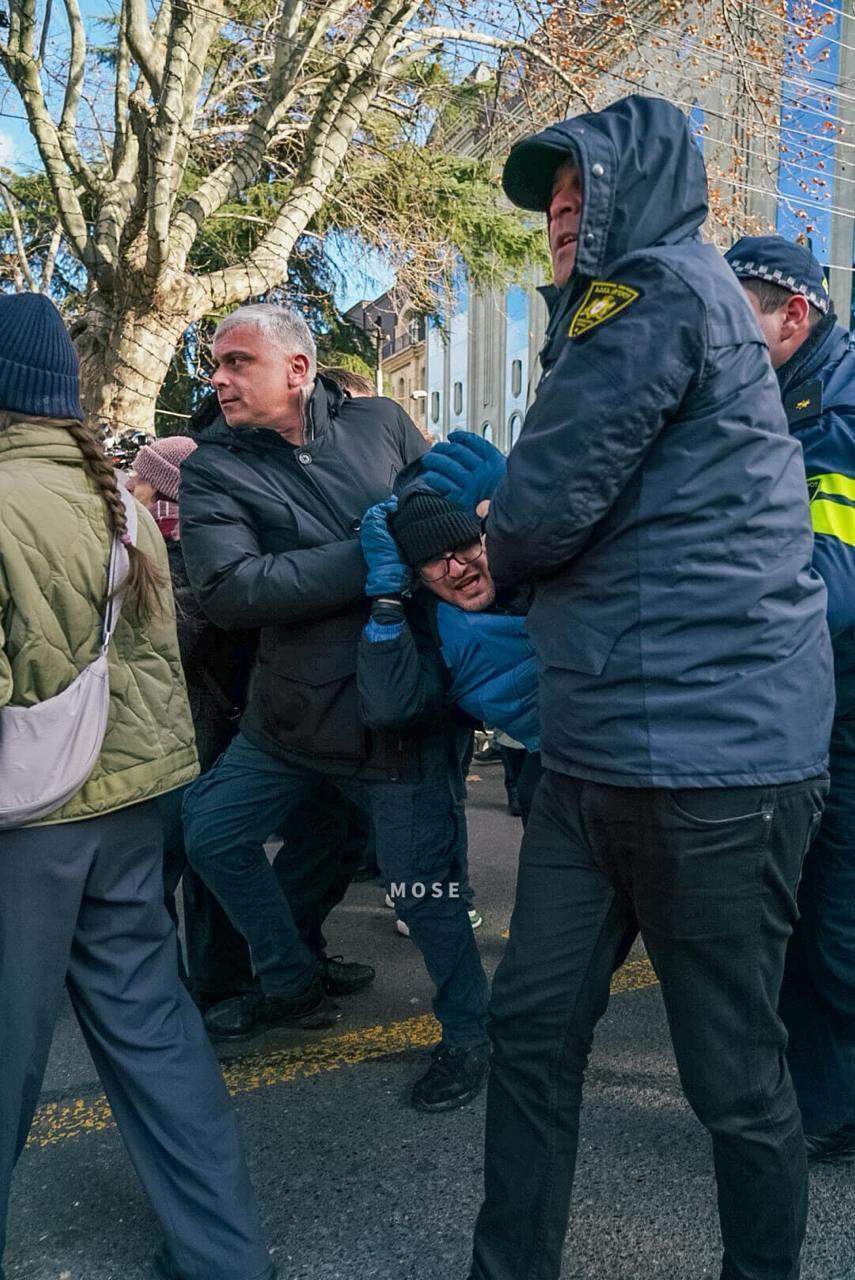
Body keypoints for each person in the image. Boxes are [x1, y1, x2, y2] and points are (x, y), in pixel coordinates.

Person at [420, 95, 833, 1280]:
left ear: (631, 197)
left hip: (711, 769)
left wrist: (492, 536)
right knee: (534, 1026)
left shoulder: (651, 288)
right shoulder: (644, 310)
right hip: (601, 756)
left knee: (736, 1080)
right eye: (548, 202)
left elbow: (543, 509)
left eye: (574, 192)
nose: (556, 217)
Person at [0, 294, 275, 1280]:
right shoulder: (118, 499)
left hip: (24, 825)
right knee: (156, 1033)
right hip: (128, 808)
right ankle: (224, 1251)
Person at [180, 303, 490, 1109]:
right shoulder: (215, 466)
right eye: (216, 362)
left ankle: (468, 1036)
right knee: (211, 833)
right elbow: (228, 590)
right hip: (285, 717)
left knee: (426, 897)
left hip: (395, 719)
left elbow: (436, 529)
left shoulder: (381, 421)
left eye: (237, 361)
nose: (218, 377)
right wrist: (368, 557)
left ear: (297, 368)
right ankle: (289, 982)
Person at [725, 235, 855, 1164]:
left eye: (735, 320)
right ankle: (820, 1103)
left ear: (791, 316)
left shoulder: (835, 416)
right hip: (806, 715)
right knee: (806, 919)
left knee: (834, 927)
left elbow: (826, 585)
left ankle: (832, 1109)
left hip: (840, 714)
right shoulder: (776, 400)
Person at [357, 488, 541, 825]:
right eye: (432, 561)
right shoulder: (432, 631)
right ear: (419, 578)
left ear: (484, 540)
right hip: (553, 772)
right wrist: (386, 595)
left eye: (464, 546)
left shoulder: (535, 571)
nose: (456, 568)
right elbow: (389, 707)